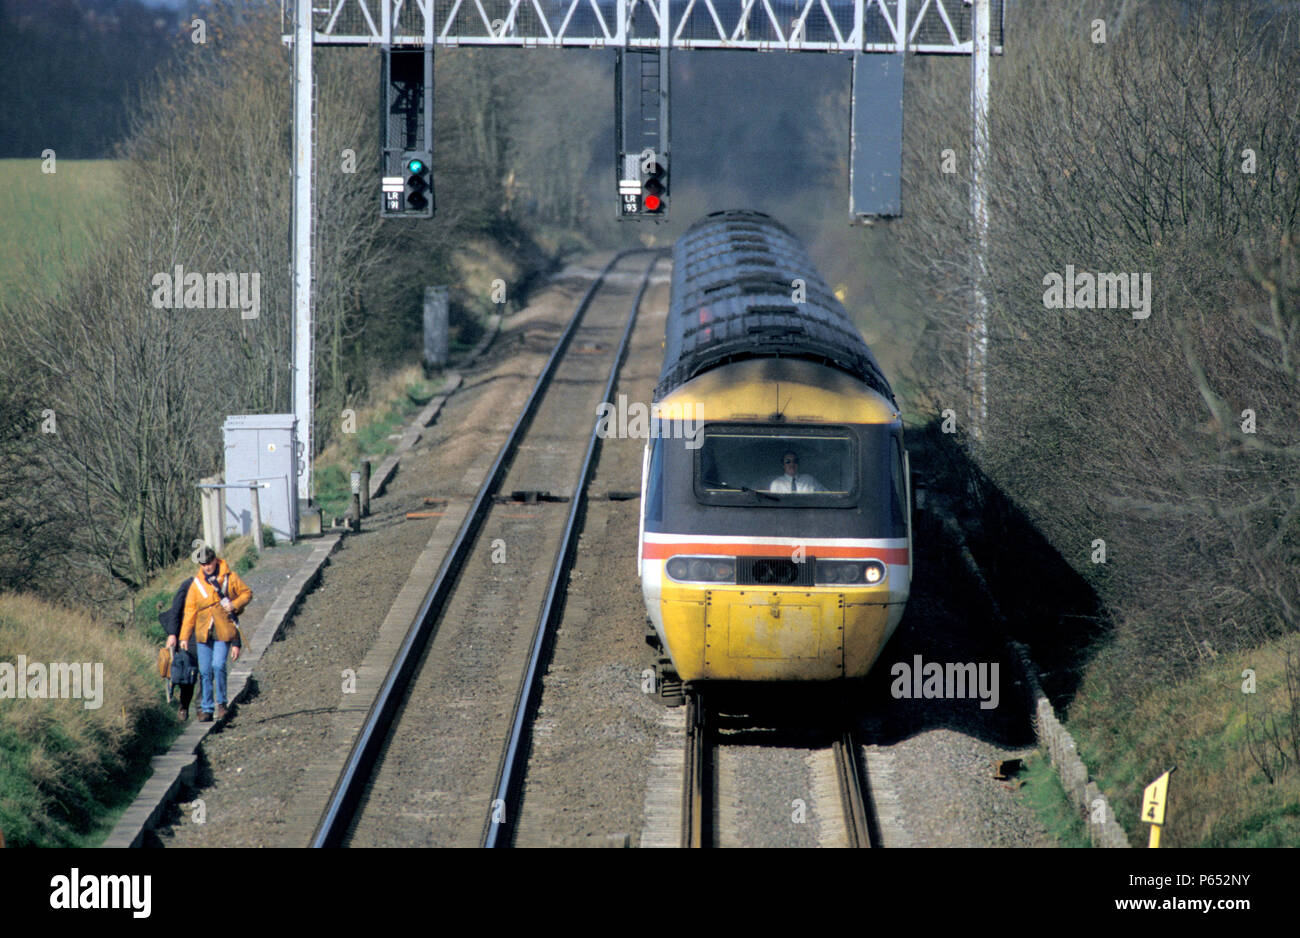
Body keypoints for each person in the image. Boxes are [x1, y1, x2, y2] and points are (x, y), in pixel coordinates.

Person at [179, 546, 252, 723]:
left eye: (209, 563)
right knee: (204, 671)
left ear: (215, 560)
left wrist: (234, 605)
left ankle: (222, 704)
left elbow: (247, 593)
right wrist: (184, 636)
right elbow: (190, 611)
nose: (206, 567)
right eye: (203, 564)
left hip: (223, 631)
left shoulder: (229, 577)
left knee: (218, 666)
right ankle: (207, 708)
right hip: (203, 632)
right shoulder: (196, 584)